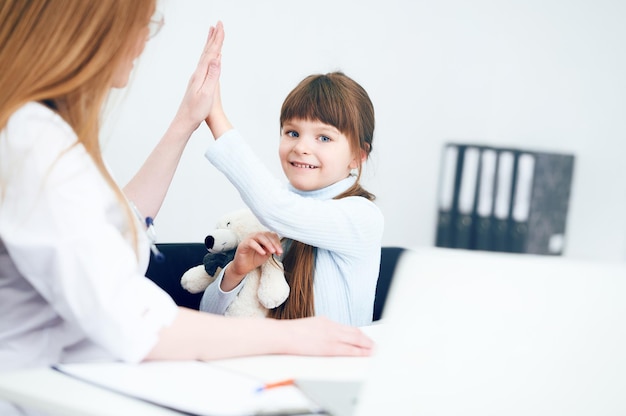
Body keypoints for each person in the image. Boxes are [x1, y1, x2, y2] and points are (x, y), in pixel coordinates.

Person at [0, 0, 373, 407]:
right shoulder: (32, 142)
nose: (145, 40)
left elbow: (121, 234)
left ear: (360, 155)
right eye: (144, 24)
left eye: (324, 137)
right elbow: (139, 319)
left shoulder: (355, 216)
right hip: (41, 391)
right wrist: (285, 327)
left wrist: (189, 120)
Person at [200, 38, 384, 327]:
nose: (301, 147)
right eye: (292, 133)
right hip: (268, 365)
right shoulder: (269, 213)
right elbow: (208, 321)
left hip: (329, 371)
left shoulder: (362, 218)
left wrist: (215, 115)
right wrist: (235, 272)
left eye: (324, 137)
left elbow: (277, 208)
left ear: (357, 156)